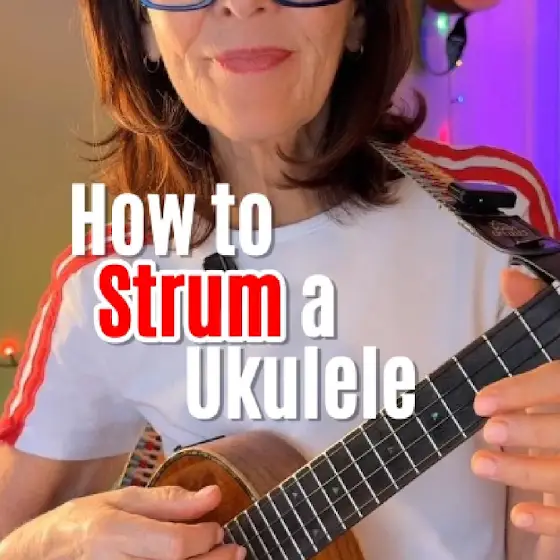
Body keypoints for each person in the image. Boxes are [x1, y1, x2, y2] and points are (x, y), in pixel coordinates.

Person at [0, 0, 559, 558]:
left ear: (358, 17)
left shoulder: (497, 215)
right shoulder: (106, 280)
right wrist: (50, 543)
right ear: (143, 28)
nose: (243, 3)